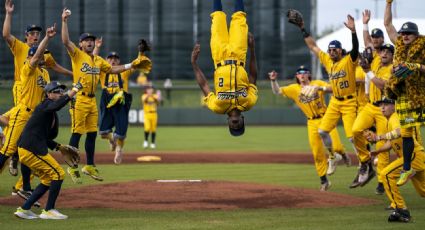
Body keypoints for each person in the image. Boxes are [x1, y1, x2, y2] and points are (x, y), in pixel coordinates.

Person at [289, 12, 371, 186]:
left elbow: (356, 49)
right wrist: (303, 28)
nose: (332, 52)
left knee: (351, 137)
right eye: (331, 50)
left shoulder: (349, 60)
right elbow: (313, 46)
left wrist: (353, 31)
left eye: (335, 49)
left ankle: (365, 163)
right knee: (322, 132)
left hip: (349, 102)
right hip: (335, 101)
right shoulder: (327, 60)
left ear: (341, 50)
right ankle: (333, 157)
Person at [61, 8, 141, 182]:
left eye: (91, 40)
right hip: (79, 98)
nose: (89, 43)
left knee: (91, 133)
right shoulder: (77, 55)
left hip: (91, 99)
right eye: (86, 41)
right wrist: (64, 21)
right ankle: (72, 167)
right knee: (77, 133)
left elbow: (112, 69)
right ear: (81, 44)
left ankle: (90, 165)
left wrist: (130, 65)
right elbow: (66, 41)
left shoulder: (98, 60)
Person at [2, 0, 72, 178]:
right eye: (32, 33)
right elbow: (6, 34)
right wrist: (9, 14)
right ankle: (12, 150)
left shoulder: (43, 60)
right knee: (16, 124)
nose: (35, 36)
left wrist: (73, 74)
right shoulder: (21, 48)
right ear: (26, 36)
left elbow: (54, 65)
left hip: (35, 95)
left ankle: (18, 164)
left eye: (37, 33)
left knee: (28, 134)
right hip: (22, 86)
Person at [0, 24, 56, 206]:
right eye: (36, 54)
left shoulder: (45, 73)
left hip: (33, 117)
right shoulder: (27, 68)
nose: (39, 56)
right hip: (22, 113)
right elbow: (36, 55)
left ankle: (24, 187)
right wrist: (47, 37)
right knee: (7, 150)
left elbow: (49, 95)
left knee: (30, 150)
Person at [269, 66, 350, 191]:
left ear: (309, 74)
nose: (302, 75)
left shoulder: (316, 83)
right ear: (296, 76)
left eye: (304, 72)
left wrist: (321, 88)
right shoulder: (293, 89)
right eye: (299, 73)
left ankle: (342, 155)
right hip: (311, 122)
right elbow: (277, 91)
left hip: (326, 118)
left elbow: (332, 88)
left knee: (338, 146)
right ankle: (324, 181)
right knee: (317, 153)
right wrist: (273, 81)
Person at [14, 81, 81, 220]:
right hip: (31, 149)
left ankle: (24, 209)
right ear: (49, 94)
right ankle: (49, 210)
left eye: (61, 91)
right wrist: (73, 91)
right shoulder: (45, 105)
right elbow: (57, 105)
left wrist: (59, 147)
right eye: (57, 91)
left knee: (47, 179)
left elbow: (43, 135)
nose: (60, 93)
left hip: (29, 148)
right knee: (58, 174)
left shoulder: (49, 111)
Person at [191, 0, 257, 136]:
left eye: (233, 128)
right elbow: (253, 77)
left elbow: (204, 85)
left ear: (228, 123)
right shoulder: (249, 103)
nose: (236, 125)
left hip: (219, 56)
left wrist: (194, 63)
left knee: (217, 17)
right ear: (242, 120)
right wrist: (252, 50)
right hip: (239, 56)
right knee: (239, 17)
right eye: (239, 126)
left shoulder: (217, 106)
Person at [364, 97, 425, 223]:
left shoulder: (395, 117)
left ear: (394, 106)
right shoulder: (389, 120)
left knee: (386, 174)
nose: (382, 108)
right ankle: (400, 210)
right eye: (381, 105)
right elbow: (392, 142)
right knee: (423, 191)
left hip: (412, 156)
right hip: (416, 156)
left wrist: (379, 137)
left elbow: (399, 132)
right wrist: (378, 150)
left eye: (386, 104)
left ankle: (401, 210)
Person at [384, 0, 425, 186]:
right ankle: (407, 168)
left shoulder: (423, 46)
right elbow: (387, 25)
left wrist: (414, 66)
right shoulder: (399, 44)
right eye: (403, 33)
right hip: (404, 96)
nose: (405, 35)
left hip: (420, 93)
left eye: (409, 33)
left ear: (416, 36)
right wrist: (388, 3)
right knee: (407, 133)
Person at [351, 43, 395, 192]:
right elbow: (368, 75)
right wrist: (363, 25)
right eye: (382, 51)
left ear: (392, 55)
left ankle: (382, 181)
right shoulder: (376, 62)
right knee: (356, 130)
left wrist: (367, 71)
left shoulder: (392, 69)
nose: (384, 54)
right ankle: (365, 162)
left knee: (381, 147)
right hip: (370, 106)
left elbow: (382, 85)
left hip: (385, 109)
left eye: (388, 52)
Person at [142, 83, 161, 149]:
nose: (150, 90)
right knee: (147, 128)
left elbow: (158, 102)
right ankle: (146, 141)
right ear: (146, 90)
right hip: (147, 114)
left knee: (153, 129)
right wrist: (149, 95)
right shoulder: (144, 95)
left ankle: (153, 143)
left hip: (154, 114)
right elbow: (144, 100)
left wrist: (158, 98)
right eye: (148, 89)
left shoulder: (155, 96)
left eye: (151, 89)